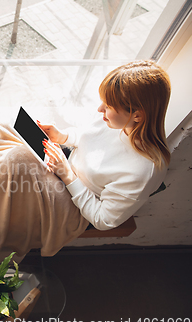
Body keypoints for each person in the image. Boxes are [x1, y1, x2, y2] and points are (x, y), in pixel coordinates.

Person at [39, 60, 170, 230]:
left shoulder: (142, 171)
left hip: (76, 203)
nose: (100, 109)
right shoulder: (116, 121)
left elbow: (103, 220)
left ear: (137, 116)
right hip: (64, 171)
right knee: (8, 140)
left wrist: (67, 175)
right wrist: (63, 136)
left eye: (108, 106)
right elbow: (87, 136)